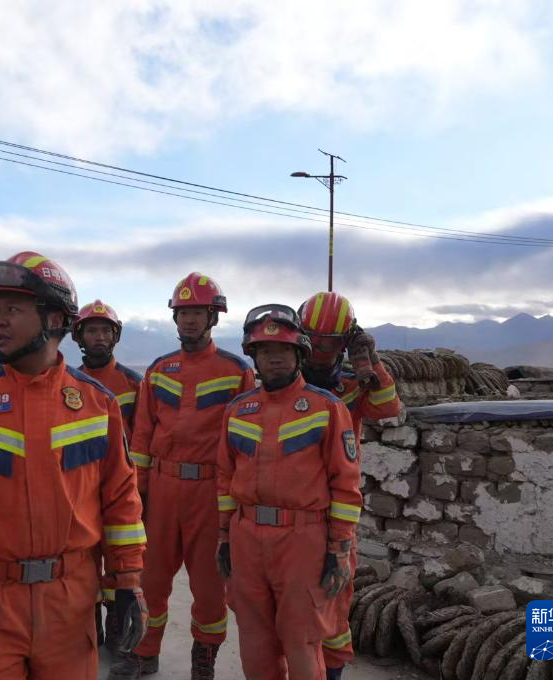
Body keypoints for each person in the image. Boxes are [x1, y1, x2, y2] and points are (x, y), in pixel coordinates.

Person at [0, 252, 148, 679]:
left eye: (13, 309)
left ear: (55, 319)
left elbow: (120, 499)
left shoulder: (96, 404)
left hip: (71, 604)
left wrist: (127, 582)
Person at [112, 273, 255, 680]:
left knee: (209, 586)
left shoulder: (235, 371)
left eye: (197, 313)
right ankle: (145, 653)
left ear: (212, 317)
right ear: (175, 318)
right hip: (161, 488)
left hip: (210, 493)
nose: (189, 320)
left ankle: (203, 659)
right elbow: (141, 435)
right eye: (183, 313)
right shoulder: (158, 371)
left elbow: (242, 441)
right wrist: (136, 494)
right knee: (150, 578)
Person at [216, 304, 362, 680]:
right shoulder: (238, 410)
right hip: (247, 538)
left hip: (303, 541)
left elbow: (345, 486)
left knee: (301, 641)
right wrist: (224, 536)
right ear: (254, 358)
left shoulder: (326, 408)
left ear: (299, 354)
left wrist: (339, 549)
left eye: (282, 350)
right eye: (265, 351)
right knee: (254, 639)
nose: (274, 358)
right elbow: (225, 479)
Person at [297, 291, 400, 678]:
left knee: (336, 595)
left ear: (347, 342)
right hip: (293, 505)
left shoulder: (355, 382)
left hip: (336, 503)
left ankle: (333, 671)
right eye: (317, 340)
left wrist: (370, 361)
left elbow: (388, 408)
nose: (323, 350)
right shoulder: (283, 375)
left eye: (333, 342)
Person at [72, 299, 143, 651]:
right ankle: (91, 627)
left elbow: (143, 441)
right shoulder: (66, 383)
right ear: (79, 337)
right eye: (91, 330)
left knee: (119, 561)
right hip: (80, 490)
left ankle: (117, 629)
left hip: (118, 489)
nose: (98, 337)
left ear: (114, 337)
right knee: (83, 562)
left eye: (104, 331)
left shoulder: (133, 383)